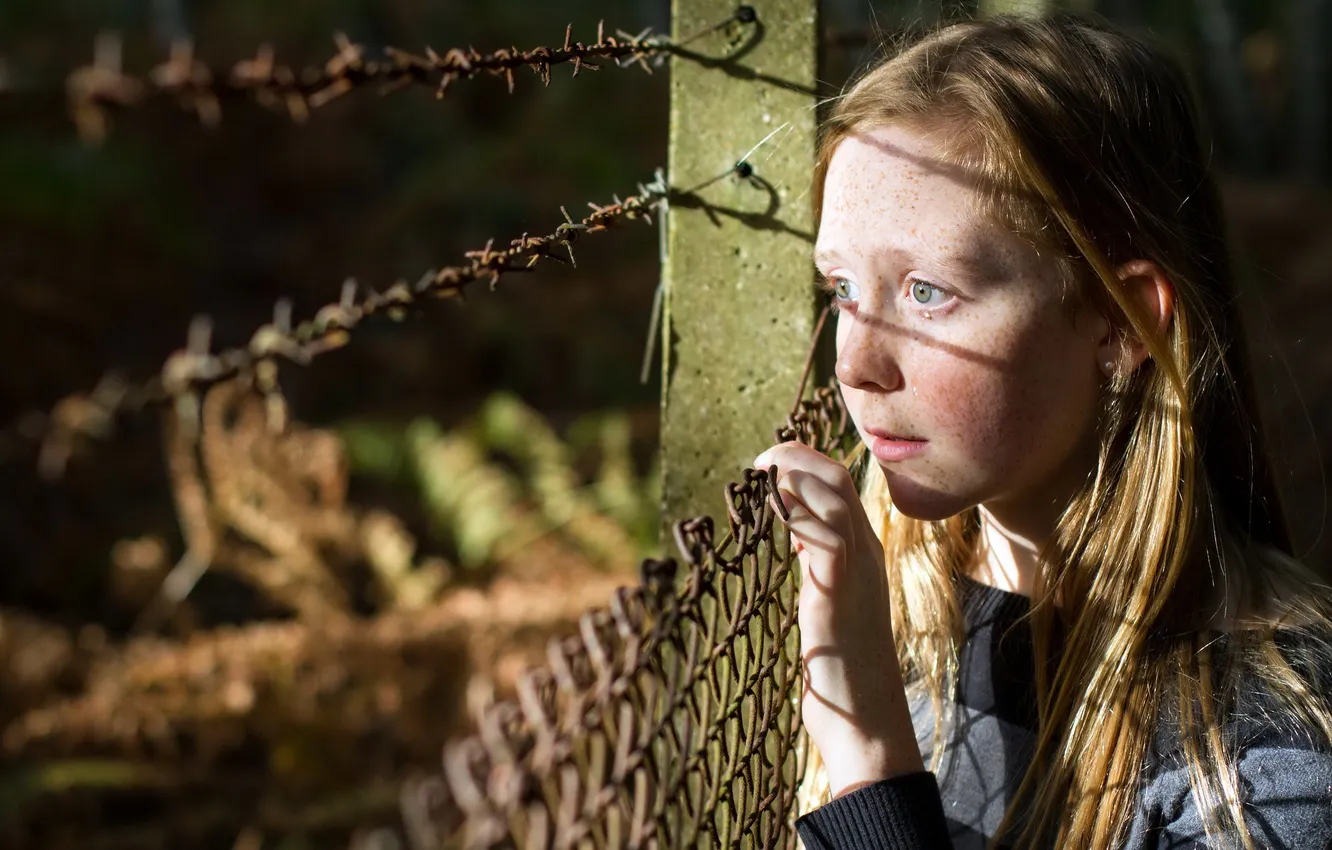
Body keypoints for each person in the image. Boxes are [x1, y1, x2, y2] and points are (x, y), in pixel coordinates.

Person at [753, 12, 1332, 849]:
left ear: (1123, 322)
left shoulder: (1264, 753)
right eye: (842, 288)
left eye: (926, 293)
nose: (853, 365)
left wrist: (869, 759)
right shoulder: (888, 618)